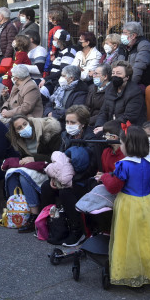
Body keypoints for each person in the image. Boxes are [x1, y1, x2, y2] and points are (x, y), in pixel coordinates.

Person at [101, 124, 150, 287]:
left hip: (129, 204)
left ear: (128, 145)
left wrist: (105, 177)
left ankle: (131, 270)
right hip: (148, 202)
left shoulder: (124, 165)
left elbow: (113, 187)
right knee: (148, 236)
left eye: (122, 143)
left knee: (128, 238)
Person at [41, 105, 100, 246]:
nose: (68, 125)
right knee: (46, 187)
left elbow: (92, 166)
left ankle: (77, 230)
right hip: (64, 175)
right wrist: (54, 178)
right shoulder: (65, 136)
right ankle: (53, 223)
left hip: (84, 178)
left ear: (83, 123)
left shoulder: (91, 138)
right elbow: (57, 159)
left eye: (72, 123)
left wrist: (71, 180)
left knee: (66, 192)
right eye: (67, 122)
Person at [4, 114, 63, 233]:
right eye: (19, 128)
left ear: (30, 122)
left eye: (25, 124)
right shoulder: (20, 141)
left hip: (50, 168)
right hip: (34, 168)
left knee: (23, 176)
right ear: (15, 132)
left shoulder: (48, 132)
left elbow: (56, 156)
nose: (23, 128)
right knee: (11, 174)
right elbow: (24, 158)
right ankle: (16, 212)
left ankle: (34, 215)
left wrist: (34, 158)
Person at [94, 60, 147, 129]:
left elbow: (129, 117)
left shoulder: (135, 92)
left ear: (127, 77)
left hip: (128, 130)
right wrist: (99, 126)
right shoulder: (109, 89)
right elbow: (103, 112)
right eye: (113, 73)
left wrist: (105, 127)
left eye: (118, 73)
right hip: (109, 128)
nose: (115, 76)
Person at [42, 29, 76, 95]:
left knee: (42, 92)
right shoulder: (59, 51)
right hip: (52, 80)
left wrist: (46, 78)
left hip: (58, 82)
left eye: (55, 40)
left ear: (61, 41)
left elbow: (63, 71)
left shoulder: (68, 52)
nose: (53, 41)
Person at [122, 21, 150, 87]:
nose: (122, 35)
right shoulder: (123, 46)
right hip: (125, 80)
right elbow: (118, 64)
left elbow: (138, 68)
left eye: (125, 33)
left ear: (134, 35)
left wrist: (129, 86)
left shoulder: (144, 45)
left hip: (141, 82)